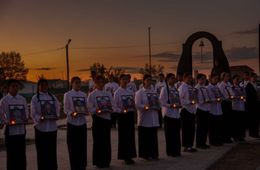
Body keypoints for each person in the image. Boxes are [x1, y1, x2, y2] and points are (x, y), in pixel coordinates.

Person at [31, 78, 60, 170]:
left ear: (48, 86)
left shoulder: (52, 97)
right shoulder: (35, 98)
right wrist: (40, 118)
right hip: (40, 128)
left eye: (45, 85)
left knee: (52, 151)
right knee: (42, 152)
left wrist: (56, 115)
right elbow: (33, 112)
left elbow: (57, 108)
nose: (44, 87)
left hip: (52, 128)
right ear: (38, 86)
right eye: (42, 85)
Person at [87, 75, 115, 168]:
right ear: (95, 83)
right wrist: (97, 110)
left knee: (106, 141)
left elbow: (113, 105)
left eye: (102, 82)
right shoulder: (92, 94)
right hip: (98, 119)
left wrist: (110, 109)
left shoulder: (108, 94)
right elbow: (89, 108)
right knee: (98, 141)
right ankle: (99, 161)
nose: (100, 84)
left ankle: (107, 161)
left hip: (106, 119)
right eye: (98, 82)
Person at [0, 79, 28, 170]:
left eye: (17, 86)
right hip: (10, 131)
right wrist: (7, 121)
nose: (15, 88)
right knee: (12, 156)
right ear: (8, 88)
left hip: (21, 130)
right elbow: (2, 116)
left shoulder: (22, 99)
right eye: (13, 86)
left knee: (21, 155)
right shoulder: (4, 100)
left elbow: (26, 112)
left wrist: (25, 119)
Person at [64, 76, 88, 170]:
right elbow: (66, 109)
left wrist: (86, 111)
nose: (78, 84)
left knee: (82, 146)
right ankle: (74, 166)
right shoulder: (67, 94)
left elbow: (86, 107)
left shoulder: (83, 94)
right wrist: (72, 113)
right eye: (76, 82)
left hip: (82, 123)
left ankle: (82, 166)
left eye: (79, 82)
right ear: (72, 84)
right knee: (73, 147)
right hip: (72, 123)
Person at [135, 74, 160, 160]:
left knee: (153, 136)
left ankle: (154, 153)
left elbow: (158, 102)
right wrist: (145, 107)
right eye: (148, 80)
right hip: (144, 118)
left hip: (153, 116)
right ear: (144, 81)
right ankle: (145, 154)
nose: (149, 82)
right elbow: (137, 105)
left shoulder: (154, 92)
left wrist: (157, 106)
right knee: (145, 137)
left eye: (151, 80)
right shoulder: (139, 92)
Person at [114, 74, 137, 165]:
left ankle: (130, 156)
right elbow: (114, 106)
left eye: (126, 79)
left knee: (131, 136)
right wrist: (121, 110)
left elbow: (133, 102)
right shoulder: (117, 92)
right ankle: (125, 157)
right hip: (122, 116)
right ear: (120, 80)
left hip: (130, 114)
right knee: (124, 137)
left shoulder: (130, 91)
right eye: (123, 79)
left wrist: (133, 108)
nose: (125, 81)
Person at [159, 73, 181, 157]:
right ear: (167, 79)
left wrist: (179, 104)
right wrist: (170, 105)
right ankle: (170, 151)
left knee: (176, 133)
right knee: (169, 134)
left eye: (174, 78)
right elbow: (161, 101)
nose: (173, 80)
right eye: (171, 78)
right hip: (168, 114)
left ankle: (177, 150)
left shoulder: (175, 89)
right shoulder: (164, 89)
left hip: (176, 114)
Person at [179, 73, 197, 152]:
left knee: (192, 129)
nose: (191, 79)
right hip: (185, 109)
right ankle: (186, 146)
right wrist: (189, 102)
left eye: (191, 78)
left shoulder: (190, 87)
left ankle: (190, 145)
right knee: (186, 129)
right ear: (184, 78)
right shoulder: (182, 87)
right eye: (189, 78)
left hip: (192, 109)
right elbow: (180, 99)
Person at [207, 74, 224, 146]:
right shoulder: (208, 87)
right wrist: (216, 99)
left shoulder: (217, 87)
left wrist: (220, 99)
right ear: (211, 79)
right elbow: (209, 98)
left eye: (217, 79)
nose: (216, 80)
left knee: (218, 126)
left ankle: (218, 140)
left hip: (218, 109)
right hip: (212, 109)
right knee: (213, 127)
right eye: (215, 78)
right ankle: (213, 141)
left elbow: (221, 96)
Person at [195, 74, 210, 149]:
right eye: (202, 79)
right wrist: (203, 101)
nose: (203, 80)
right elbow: (196, 99)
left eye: (204, 79)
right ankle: (199, 143)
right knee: (200, 127)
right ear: (198, 80)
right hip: (200, 109)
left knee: (205, 127)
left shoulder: (205, 88)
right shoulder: (196, 88)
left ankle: (203, 142)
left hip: (206, 109)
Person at [231, 75, 246, 142]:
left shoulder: (241, 87)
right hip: (235, 107)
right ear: (233, 80)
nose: (237, 81)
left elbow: (245, 95)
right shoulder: (232, 87)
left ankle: (241, 136)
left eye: (238, 79)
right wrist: (240, 97)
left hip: (242, 107)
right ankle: (235, 136)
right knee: (235, 123)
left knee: (241, 123)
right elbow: (233, 96)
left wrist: (242, 97)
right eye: (236, 79)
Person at [245, 73, 260, 138]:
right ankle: (253, 133)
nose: (254, 79)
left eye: (255, 77)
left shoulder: (256, 84)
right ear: (250, 78)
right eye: (253, 77)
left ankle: (256, 133)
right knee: (252, 120)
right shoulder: (248, 85)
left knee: (256, 119)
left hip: (256, 104)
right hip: (251, 105)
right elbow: (249, 96)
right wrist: (256, 96)